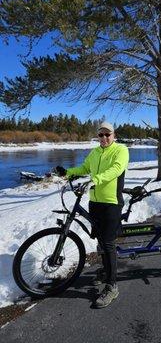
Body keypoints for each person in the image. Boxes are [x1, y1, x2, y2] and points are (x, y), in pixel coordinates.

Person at [56, 121, 129, 308]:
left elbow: (115, 170)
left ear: (114, 135)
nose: (104, 138)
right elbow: (84, 168)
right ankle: (105, 271)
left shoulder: (121, 150)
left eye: (108, 135)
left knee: (109, 243)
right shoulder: (95, 153)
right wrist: (68, 172)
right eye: (101, 135)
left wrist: (94, 180)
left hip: (111, 203)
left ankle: (112, 286)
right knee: (100, 241)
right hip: (94, 203)